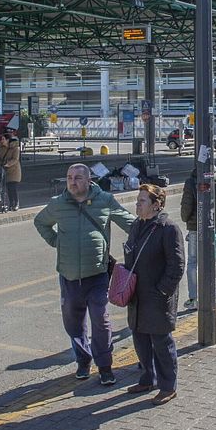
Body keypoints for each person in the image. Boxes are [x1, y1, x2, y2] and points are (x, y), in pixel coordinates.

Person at [34, 164, 135, 385]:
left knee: (101, 320)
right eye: (69, 177)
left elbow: (129, 223)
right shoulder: (57, 204)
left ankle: (105, 366)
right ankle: (83, 360)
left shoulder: (105, 200)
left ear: (89, 180)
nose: (72, 181)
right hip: (69, 277)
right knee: (73, 323)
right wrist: (56, 242)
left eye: (78, 178)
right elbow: (40, 222)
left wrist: (153, 227)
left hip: (97, 274)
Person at [123, 184, 185, 406]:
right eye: (137, 200)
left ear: (156, 204)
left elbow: (177, 265)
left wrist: (162, 291)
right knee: (140, 340)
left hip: (157, 297)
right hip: (137, 295)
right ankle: (148, 378)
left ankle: (168, 386)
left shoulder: (168, 228)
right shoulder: (137, 225)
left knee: (161, 342)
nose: (137, 204)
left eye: (142, 201)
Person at [179, 164, 216, 310]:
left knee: (193, 263)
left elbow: (186, 206)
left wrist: (187, 219)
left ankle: (194, 298)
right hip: (212, 226)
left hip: (195, 227)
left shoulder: (192, 181)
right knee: (211, 260)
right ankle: (210, 293)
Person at [0, 130, 21, 211]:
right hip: (5, 170)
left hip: (14, 170)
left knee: (13, 187)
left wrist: (8, 164)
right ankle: (11, 204)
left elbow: (15, 159)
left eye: (3, 139)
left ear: (7, 140)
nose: (1, 141)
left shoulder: (15, 148)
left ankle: (16, 203)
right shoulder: (1, 148)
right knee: (8, 188)